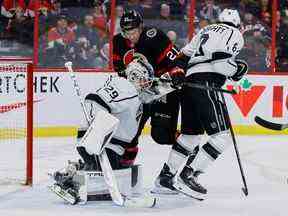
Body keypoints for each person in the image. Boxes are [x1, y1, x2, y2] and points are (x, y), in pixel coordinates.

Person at [154, 9, 248, 198]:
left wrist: (178, 71)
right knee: (222, 136)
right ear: (238, 24)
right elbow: (220, 62)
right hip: (207, 83)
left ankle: (165, 177)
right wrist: (238, 69)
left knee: (190, 135)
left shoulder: (206, 30)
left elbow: (182, 56)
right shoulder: (235, 33)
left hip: (189, 84)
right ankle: (189, 174)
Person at [50, 58, 159, 204]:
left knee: (119, 175)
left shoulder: (134, 92)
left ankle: (72, 170)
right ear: (135, 75)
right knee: (104, 184)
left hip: (111, 146)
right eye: (145, 80)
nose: (147, 83)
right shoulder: (126, 87)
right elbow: (94, 100)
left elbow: (151, 95)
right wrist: (97, 133)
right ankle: (71, 183)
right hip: (103, 144)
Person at [112, 10, 187, 165]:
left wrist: (177, 72)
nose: (130, 36)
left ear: (141, 27)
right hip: (139, 92)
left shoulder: (154, 36)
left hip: (163, 88)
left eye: (133, 32)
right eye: (126, 33)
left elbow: (177, 59)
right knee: (129, 131)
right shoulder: (118, 41)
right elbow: (119, 69)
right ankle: (124, 164)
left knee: (162, 135)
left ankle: (188, 144)